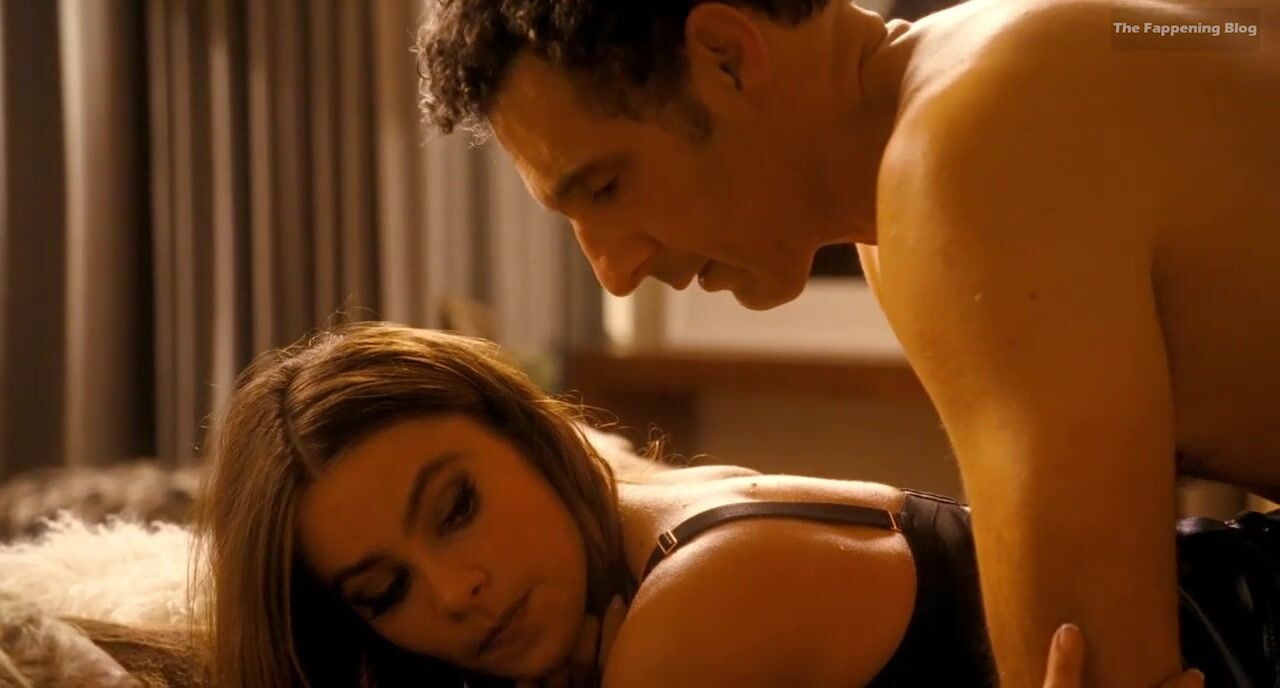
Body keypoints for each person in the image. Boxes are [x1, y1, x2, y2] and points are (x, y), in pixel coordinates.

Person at [411, 0, 1280, 684]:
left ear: (726, 55)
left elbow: (1096, 668)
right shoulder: (1004, 66)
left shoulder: (969, 146)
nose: (613, 271)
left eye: (605, 186)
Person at [194, 322, 1228, 687]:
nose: (455, 589)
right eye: (383, 591)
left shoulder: (690, 608)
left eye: (456, 507)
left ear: (523, 432)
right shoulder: (645, 517)